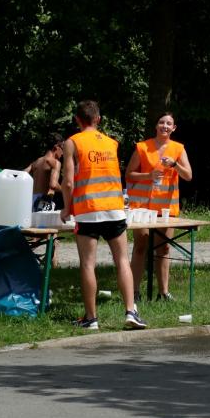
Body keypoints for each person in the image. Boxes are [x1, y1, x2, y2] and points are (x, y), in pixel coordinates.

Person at [60, 100, 147, 330]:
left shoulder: (72, 142)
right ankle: (131, 311)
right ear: (98, 119)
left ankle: (91, 318)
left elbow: (68, 182)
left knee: (88, 264)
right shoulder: (111, 143)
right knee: (122, 261)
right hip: (114, 209)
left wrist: (66, 208)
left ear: (77, 120)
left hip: (88, 211)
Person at [125, 112, 193, 301]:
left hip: (165, 209)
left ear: (174, 128)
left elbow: (188, 176)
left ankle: (163, 293)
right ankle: (134, 292)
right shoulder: (142, 147)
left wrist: (174, 165)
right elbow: (129, 174)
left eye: (169, 123)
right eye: (161, 122)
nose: (165, 126)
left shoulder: (178, 148)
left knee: (163, 249)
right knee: (140, 247)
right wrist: (148, 176)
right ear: (156, 126)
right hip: (142, 208)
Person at [24, 132, 64, 212]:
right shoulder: (55, 163)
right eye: (62, 148)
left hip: (30, 201)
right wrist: (65, 190)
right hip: (43, 202)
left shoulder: (36, 162)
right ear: (56, 147)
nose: (63, 153)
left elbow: (22, 175)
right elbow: (53, 185)